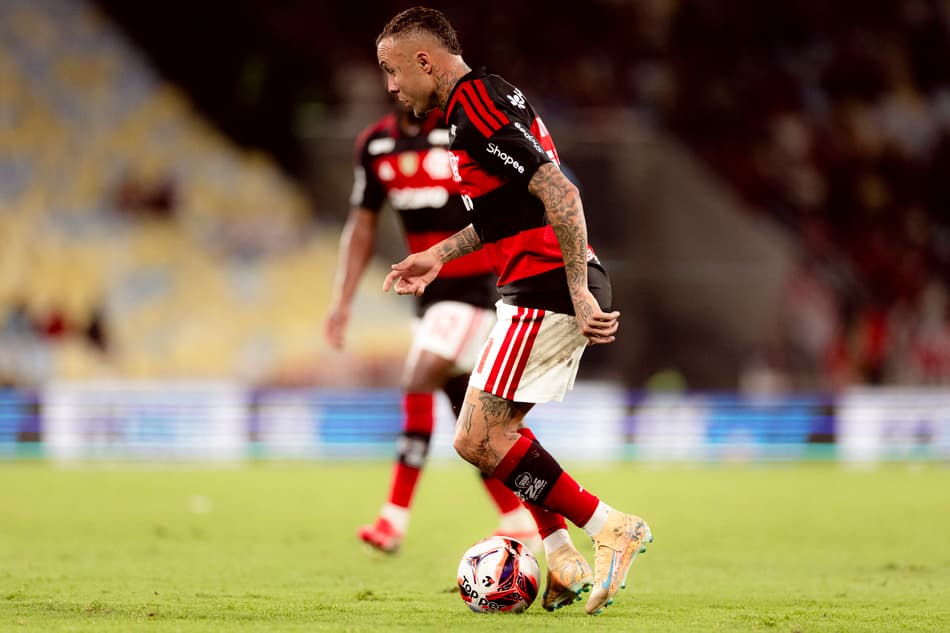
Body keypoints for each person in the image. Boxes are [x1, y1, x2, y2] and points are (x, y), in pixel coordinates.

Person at [375, 7, 653, 616]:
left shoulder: (475, 104)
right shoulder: (478, 105)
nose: (390, 86)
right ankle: (561, 553)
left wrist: (578, 288)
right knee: (499, 436)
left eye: (393, 71)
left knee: (475, 437)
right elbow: (505, 215)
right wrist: (438, 255)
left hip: (547, 287)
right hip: (538, 285)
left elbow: (560, 191)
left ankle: (607, 526)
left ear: (425, 61)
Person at [324, 104, 541, 555]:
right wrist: (342, 301)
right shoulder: (375, 145)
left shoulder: (462, 133)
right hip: (427, 297)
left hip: (479, 290)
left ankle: (393, 519)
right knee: (476, 419)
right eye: (388, 73)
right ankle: (522, 517)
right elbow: (362, 223)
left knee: (419, 378)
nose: (395, 85)